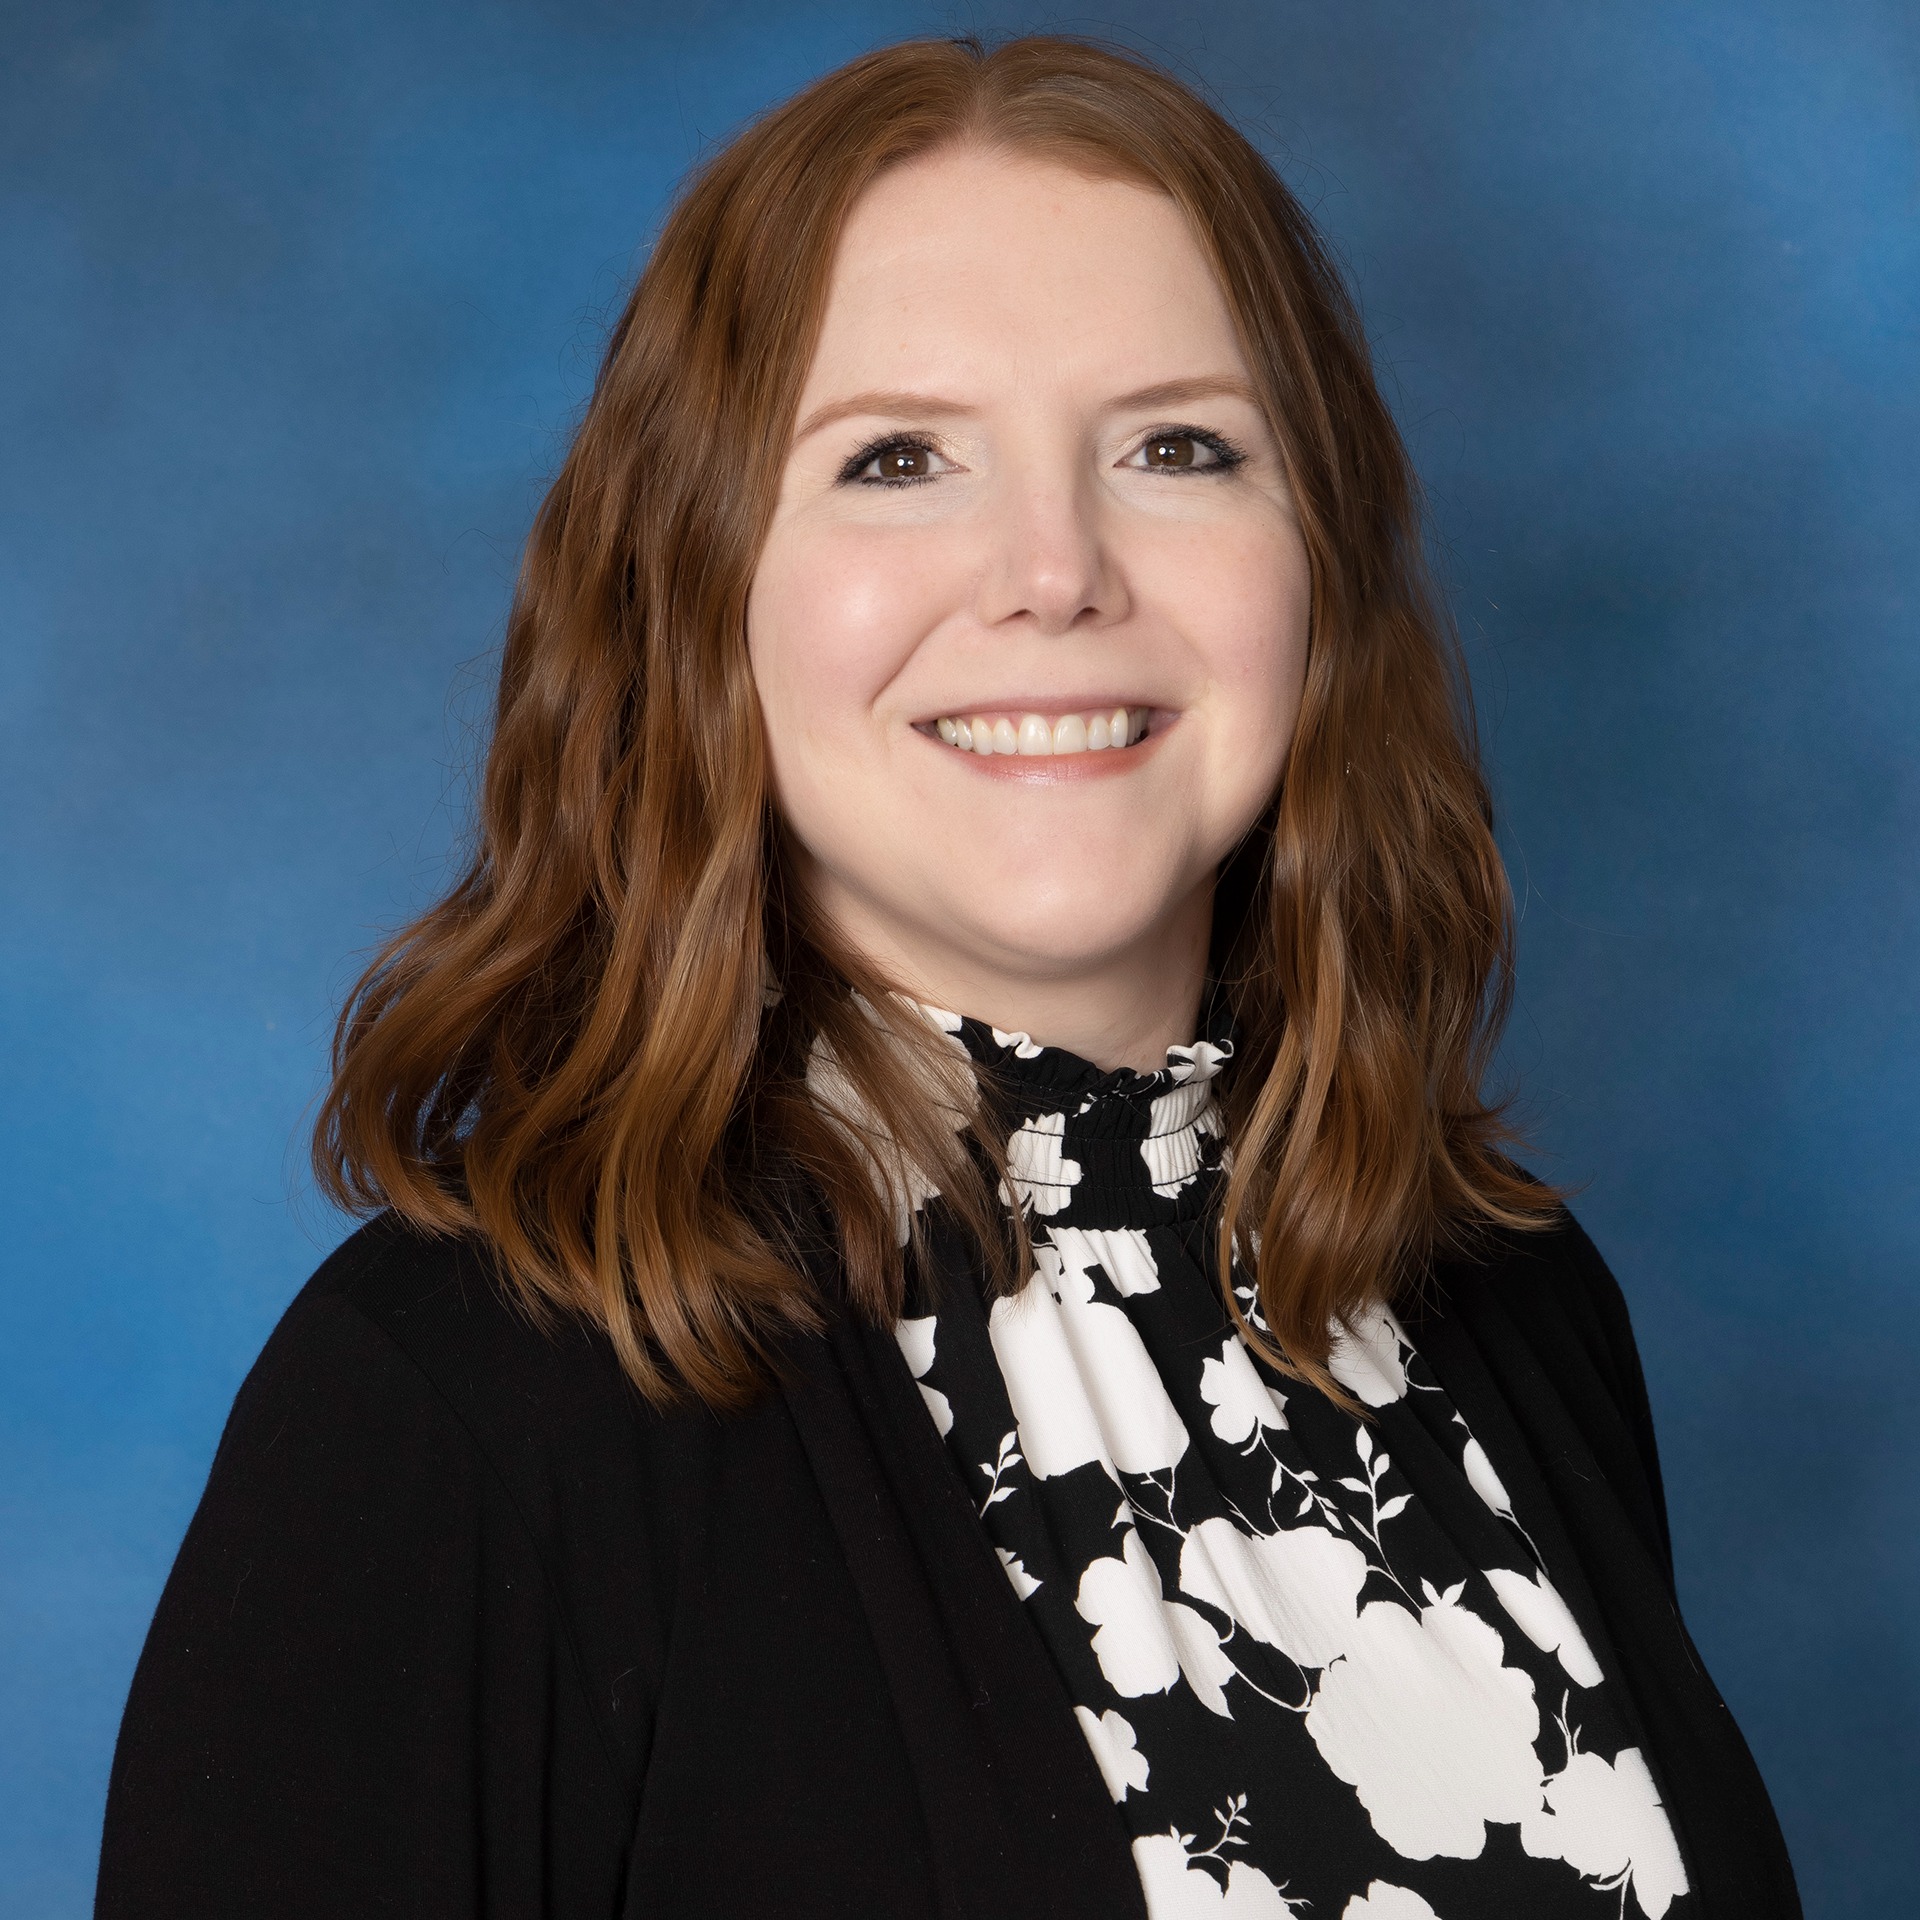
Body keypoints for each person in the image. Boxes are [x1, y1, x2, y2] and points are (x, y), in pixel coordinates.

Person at [95, 34, 1798, 1920]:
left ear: (1318, 568)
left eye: (1178, 447)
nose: (1054, 572)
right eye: (898, 459)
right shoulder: (459, 1409)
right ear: (699, 587)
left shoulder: (1513, 1304)